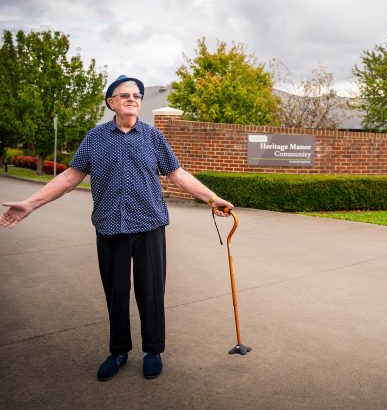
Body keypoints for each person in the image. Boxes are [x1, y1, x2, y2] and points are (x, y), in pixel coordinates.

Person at [0, 75, 233, 381]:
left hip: (149, 224)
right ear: (111, 103)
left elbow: (177, 175)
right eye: (124, 95)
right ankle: (118, 350)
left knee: (151, 292)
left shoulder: (153, 138)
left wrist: (212, 198)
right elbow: (70, 177)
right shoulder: (95, 139)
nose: (132, 99)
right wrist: (30, 204)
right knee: (116, 293)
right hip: (110, 226)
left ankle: (153, 350)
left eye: (136, 95)